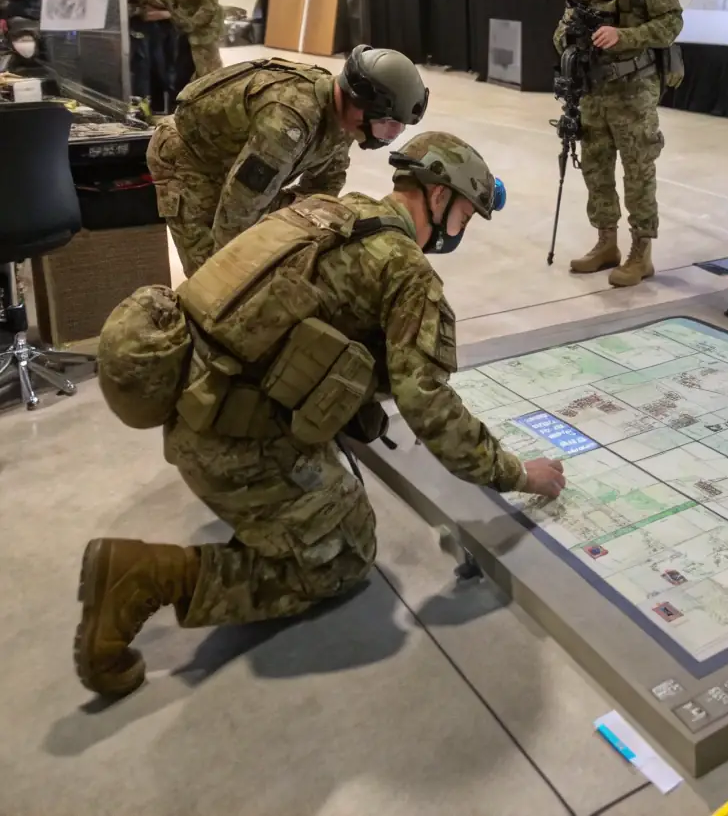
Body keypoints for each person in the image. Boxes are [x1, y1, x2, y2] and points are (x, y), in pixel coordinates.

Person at [75, 131, 567, 698]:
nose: (462, 228)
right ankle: (143, 577)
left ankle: (272, 514)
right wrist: (514, 474)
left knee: (334, 504)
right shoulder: (408, 272)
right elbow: (428, 403)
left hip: (194, 402)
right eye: (465, 214)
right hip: (232, 445)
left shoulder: (329, 209)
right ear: (437, 198)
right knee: (345, 557)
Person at [147, 45, 429, 277]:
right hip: (190, 157)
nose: (394, 134)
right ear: (361, 105)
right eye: (390, 122)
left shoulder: (343, 118)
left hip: (239, 163)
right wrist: (230, 278)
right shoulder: (287, 122)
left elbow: (326, 183)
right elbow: (238, 210)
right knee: (210, 274)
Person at [554, 0, 683, 287]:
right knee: (595, 169)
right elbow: (561, 29)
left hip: (633, 91)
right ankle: (605, 243)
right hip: (592, 91)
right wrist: (569, 40)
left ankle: (640, 253)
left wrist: (624, 36)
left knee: (637, 171)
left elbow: (671, 23)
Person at [168, 0, 223, 91]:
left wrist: (190, 24)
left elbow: (209, 6)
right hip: (187, 34)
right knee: (187, 70)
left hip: (203, 35)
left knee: (209, 73)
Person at [140, 0, 177, 113]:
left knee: (169, 72)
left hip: (170, 29)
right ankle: (157, 109)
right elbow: (145, 12)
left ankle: (170, 109)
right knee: (156, 71)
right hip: (153, 31)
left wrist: (168, 13)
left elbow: (179, 5)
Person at [3, 18, 61, 95]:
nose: (25, 45)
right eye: (20, 40)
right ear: (11, 43)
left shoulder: (47, 71)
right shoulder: (5, 68)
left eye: (29, 40)